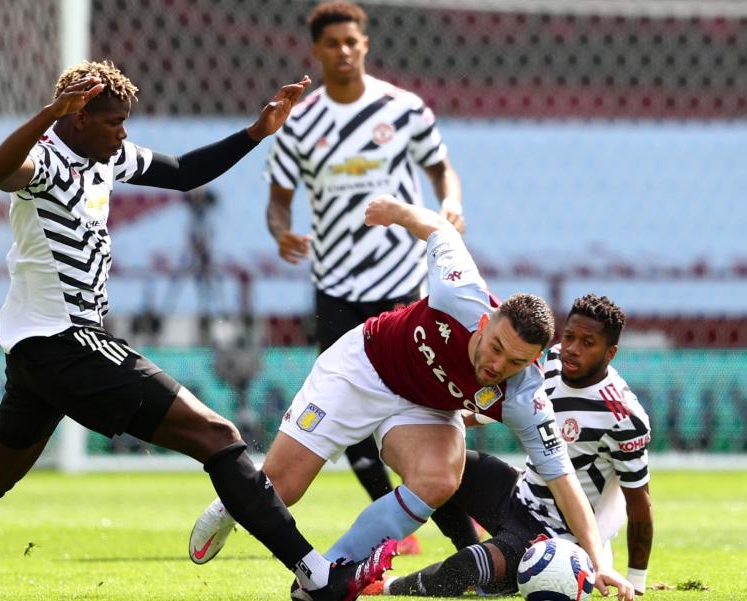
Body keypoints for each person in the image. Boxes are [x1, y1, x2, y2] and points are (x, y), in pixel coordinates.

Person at [0, 60, 396, 601]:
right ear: (77, 117)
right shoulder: (47, 162)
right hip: (66, 342)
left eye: (125, 121)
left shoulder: (108, 157)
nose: (124, 133)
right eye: (113, 121)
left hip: (40, 353)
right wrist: (47, 115)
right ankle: (316, 574)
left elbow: (185, 172)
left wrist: (255, 132)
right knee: (217, 435)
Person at [189, 195, 633, 601]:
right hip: (363, 368)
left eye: (517, 362)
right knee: (282, 488)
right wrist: (396, 213)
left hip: (423, 409)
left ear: (534, 360)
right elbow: (440, 229)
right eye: (496, 348)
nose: (499, 366)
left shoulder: (524, 394)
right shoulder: (457, 292)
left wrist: (601, 563)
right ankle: (231, 504)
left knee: (441, 478)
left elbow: (564, 481)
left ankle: (332, 572)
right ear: (485, 323)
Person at [264, 0, 464, 527]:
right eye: (332, 44)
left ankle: (439, 518)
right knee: (342, 405)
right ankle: (389, 513)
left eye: (352, 42)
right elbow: (279, 197)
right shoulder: (299, 123)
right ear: (316, 51)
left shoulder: (404, 108)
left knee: (423, 405)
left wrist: (451, 204)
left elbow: (442, 171)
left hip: (402, 281)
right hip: (336, 284)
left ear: (365, 44)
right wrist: (280, 231)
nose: (344, 51)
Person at [372, 294, 654, 596]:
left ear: (609, 353)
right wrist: (457, 419)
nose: (572, 349)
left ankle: (391, 587)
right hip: (518, 492)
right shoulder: (551, 361)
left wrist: (636, 583)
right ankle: (480, 556)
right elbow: (504, 403)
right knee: (433, 468)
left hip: (551, 534)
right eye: (569, 337)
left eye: (587, 343)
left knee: (470, 566)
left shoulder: (623, 417)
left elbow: (640, 505)